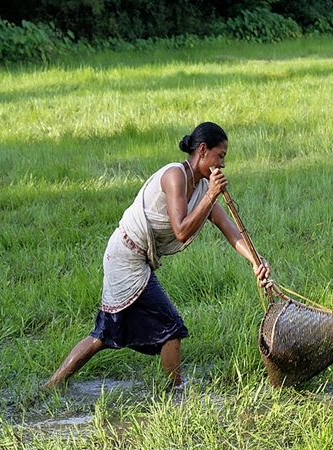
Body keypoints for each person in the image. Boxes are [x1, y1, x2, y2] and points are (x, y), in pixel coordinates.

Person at [43, 122, 270, 389]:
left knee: (104, 335)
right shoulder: (176, 176)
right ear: (202, 149)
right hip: (126, 256)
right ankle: (174, 394)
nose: (222, 164)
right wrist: (210, 195)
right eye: (220, 155)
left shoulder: (201, 188)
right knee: (170, 328)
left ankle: (53, 385)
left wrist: (257, 261)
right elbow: (182, 230)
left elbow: (230, 230)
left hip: (136, 259)